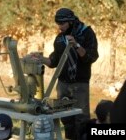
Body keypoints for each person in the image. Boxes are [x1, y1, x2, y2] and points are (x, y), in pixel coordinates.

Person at [40, 8, 99, 139]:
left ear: (71, 22)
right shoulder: (60, 38)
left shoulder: (87, 33)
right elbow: (53, 61)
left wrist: (77, 45)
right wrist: (40, 59)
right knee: (65, 117)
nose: (59, 27)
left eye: (62, 24)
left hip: (80, 84)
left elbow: (92, 57)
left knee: (81, 118)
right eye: (58, 24)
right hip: (63, 84)